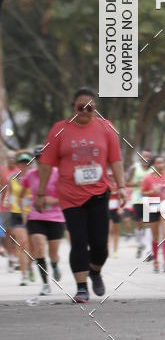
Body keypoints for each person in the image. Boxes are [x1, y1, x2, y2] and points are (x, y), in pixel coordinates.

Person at [34, 87, 126, 303]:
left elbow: (116, 160)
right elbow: (46, 165)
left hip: (99, 193)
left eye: (90, 107)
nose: (85, 111)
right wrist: (40, 194)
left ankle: (95, 271)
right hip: (70, 196)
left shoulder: (106, 128)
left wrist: (121, 186)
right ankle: (81, 287)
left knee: (100, 245)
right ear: (72, 108)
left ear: (95, 109)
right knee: (78, 241)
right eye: (80, 107)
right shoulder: (59, 130)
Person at [22, 146, 65, 295]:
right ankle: (46, 284)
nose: (41, 161)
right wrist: (24, 209)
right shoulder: (30, 175)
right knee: (39, 248)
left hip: (56, 218)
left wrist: (50, 201)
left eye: (44, 158)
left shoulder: (57, 174)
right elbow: (21, 194)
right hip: (36, 217)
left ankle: (54, 265)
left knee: (53, 254)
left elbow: (65, 197)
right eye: (38, 158)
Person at [141, 155, 165, 273]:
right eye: (158, 163)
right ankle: (155, 261)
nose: (161, 165)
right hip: (152, 206)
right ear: (153, 165)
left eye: (162, 162)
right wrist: (152, 191)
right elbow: (143, 193)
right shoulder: (147, 178)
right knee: (155, 236)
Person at [7, 152, 34, 285]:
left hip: (32, 214)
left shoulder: (34, 177)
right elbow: (10, 194)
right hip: (16, 213)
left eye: (27, 163)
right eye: (21, 163)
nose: (24, 165)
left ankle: (30, 266)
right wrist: (8, 202)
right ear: (18, 165)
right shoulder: (12, 178)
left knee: (32, 246)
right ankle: (24, 275)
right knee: (22, 243)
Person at [127, 149, 152, 258]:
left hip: (148, 199)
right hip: (137, 199)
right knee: (138, 224)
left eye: (148, 157)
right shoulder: (134, 168)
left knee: (147, 223)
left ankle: (148, 249)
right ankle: (140, 243)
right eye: (144, 156)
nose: (146, 158)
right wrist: (137, 183)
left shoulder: (153, 169)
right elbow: (127, 183)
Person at [1, 150, 18, 269]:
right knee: (8, 233)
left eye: (13, 158)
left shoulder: (19, 170)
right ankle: (11, 259)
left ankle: (16, 255)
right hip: (5, 205)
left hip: (18, 205)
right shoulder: (2, 170)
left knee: (18, 232)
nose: (11, 159)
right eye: (9, 157)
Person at [108, 174, 121, 257]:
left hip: (116, 210)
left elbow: (120, 198)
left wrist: (120, 208)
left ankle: (115, 250)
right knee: (109, 230)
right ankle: (107, 250)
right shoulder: (105, 185)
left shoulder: (118, 185)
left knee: (116, 231)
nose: (111, 177)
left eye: (112, 176)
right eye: (109, 176)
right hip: (107, 210)